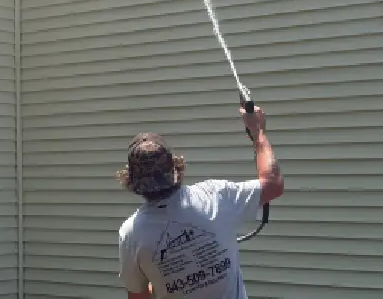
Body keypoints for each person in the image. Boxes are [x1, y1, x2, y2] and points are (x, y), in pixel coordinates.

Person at [115, 104, 284, 298]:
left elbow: (139, 296)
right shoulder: (214, 196)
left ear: (132, 181)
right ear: (176, 167)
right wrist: (257, 131)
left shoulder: (131, 233)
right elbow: (273, 185)